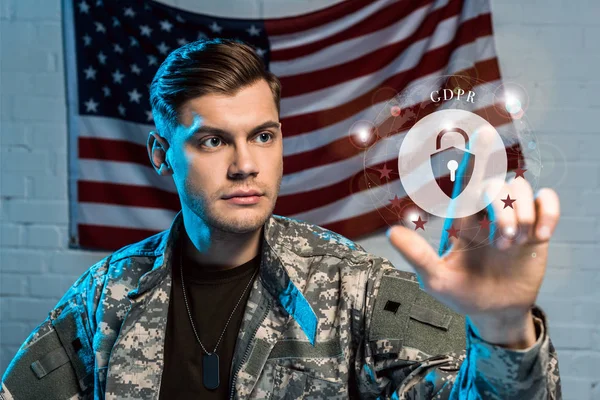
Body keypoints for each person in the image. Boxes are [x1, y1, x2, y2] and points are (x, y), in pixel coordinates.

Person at [1, 38, 562, 400]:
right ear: (159, 152)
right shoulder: (106, 296)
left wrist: (503, 331)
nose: (246, 165)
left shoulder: (354, 288)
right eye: (213, 140)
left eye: (263, 136)